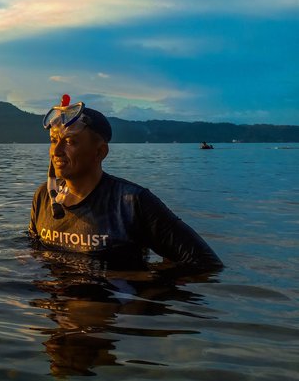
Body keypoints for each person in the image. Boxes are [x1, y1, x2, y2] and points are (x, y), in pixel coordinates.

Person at [29, 95, 223, 270]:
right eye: (53, 140)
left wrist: (143, 281)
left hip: (113, 297)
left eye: (70, 142)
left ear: (100, 152)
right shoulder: (44, 196)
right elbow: (31, 245)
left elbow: (205, 263)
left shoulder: (131, 202)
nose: (56, 151)